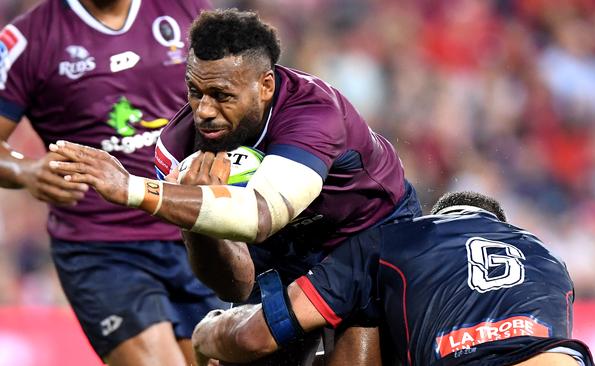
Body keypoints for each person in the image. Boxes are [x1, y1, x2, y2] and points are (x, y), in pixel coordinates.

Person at [48, 8, 422, 364]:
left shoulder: (314, 113)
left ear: (265, 85)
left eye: (222, 95)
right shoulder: (177, 149)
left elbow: (261, 215)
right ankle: (205, 338)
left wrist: (133, 190)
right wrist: (197, 223)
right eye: (195, 91)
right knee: (243, 347)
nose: (204, 111)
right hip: (284, 253)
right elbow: (235, 284)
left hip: (368, 236)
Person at [0, 1, 227, 364]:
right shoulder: (28, 40)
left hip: (193, 230)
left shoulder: (188, 10)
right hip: (101, 248)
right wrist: (25, 171)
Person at [190, 191, 595, 366]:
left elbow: (264, 330)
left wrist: (207, 333)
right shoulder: (549, 258)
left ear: (437, 217)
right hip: (558, 359)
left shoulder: (392, 239)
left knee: (362, 319)